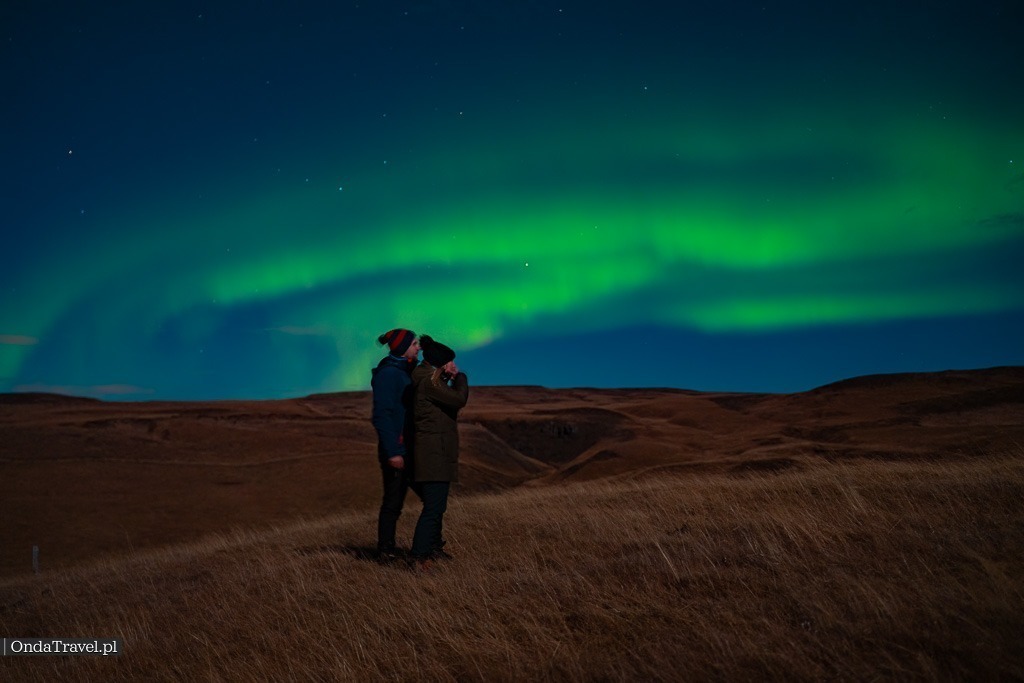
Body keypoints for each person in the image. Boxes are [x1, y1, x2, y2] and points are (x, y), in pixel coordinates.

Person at [408, 335, 469, 570]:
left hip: (435, 452)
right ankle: (420, 557)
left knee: (436, 505)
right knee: (433, 507)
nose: (454, 366)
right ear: (440, 364)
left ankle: (432, 549)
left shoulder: (429, 378)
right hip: (432, 454)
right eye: (450, 362)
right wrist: (460, 378)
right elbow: (458, 399)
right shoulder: (428, 382)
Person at [370, 328, 421, 561]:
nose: (418, 347)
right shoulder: (389, 374)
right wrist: (393, 451)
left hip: (410, 448)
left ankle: (427, 545)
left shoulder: (406, 370)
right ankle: (386, 551)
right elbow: (382, 415)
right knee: (393, 501)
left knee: (431, 497)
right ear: (402, 347)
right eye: (414, 344)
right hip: (398, 450)